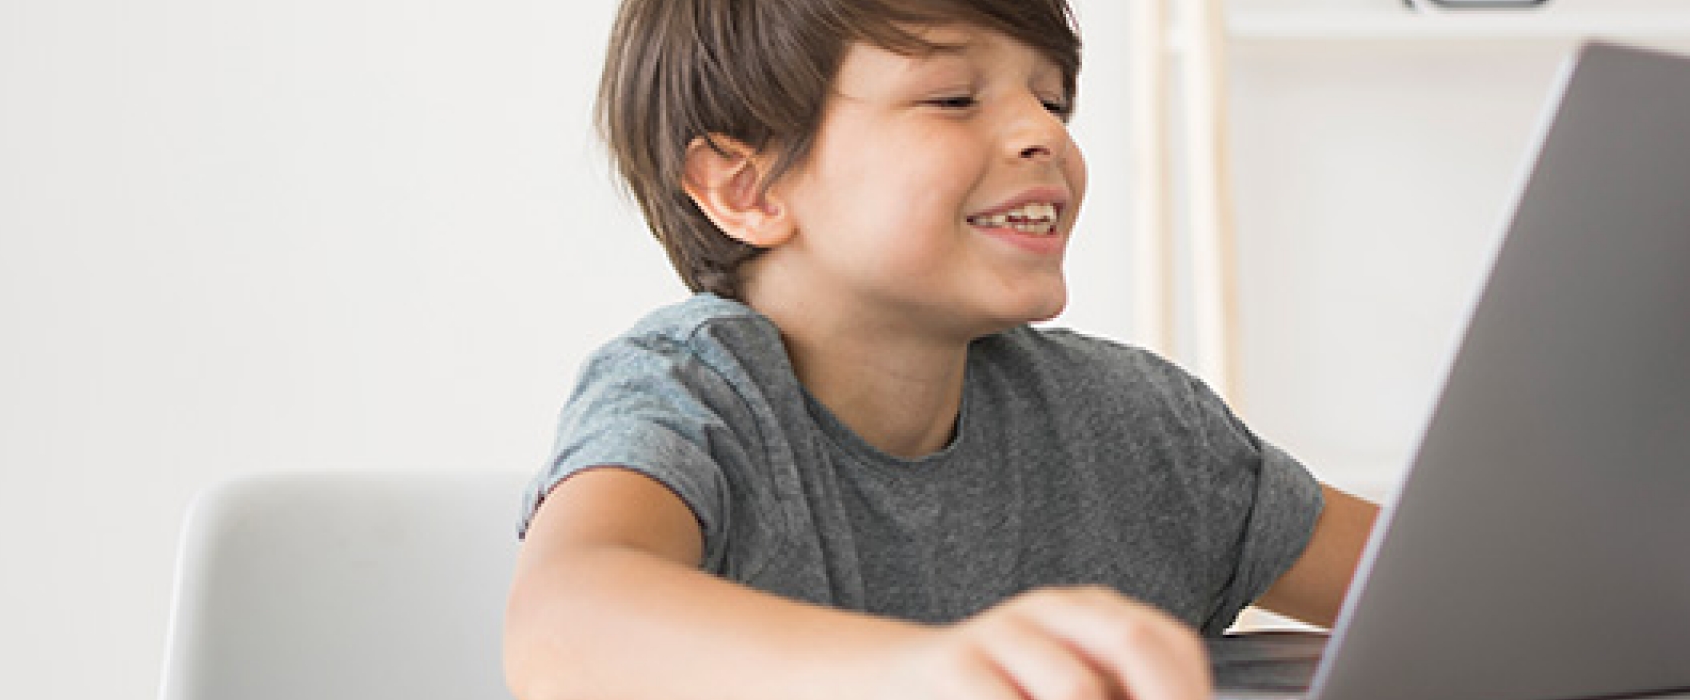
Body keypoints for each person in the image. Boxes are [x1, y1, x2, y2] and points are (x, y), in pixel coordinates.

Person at [502, 0, 1380, 698]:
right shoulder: (693, 393)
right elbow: (562, 628)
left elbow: (1450, 594)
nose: (1046, 135)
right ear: (747, 184)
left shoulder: (1140, 426)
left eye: (1052, 98)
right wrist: (920, 672)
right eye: (954, 98)